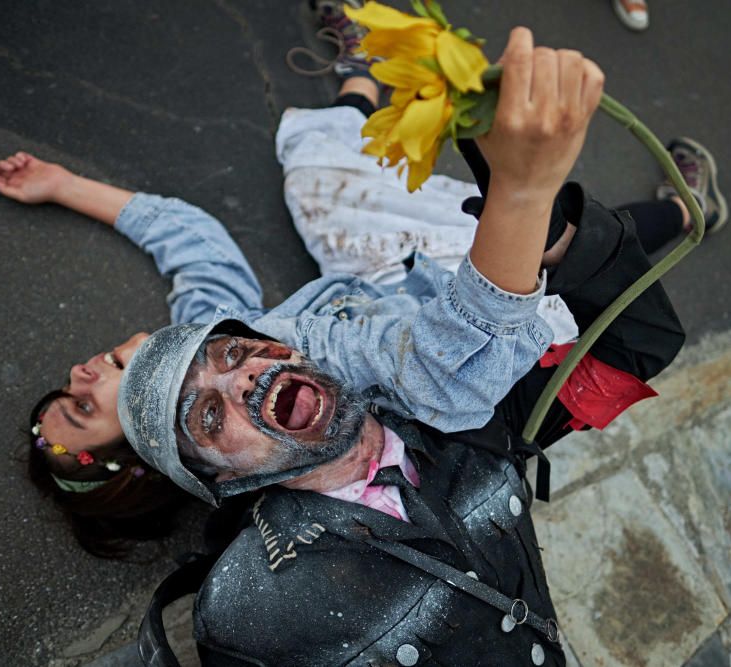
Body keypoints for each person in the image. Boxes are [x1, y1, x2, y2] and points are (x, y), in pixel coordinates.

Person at [0, 3, 725, 558]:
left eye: (223, 354)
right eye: (89, 406)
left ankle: (360, 75)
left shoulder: (242, 341)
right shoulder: (327, 490)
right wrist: (523, 194)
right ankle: (676, 216)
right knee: (551, 247)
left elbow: (194, 246)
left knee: (318, 182)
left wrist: (60, 182)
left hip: (395, 290)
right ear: (206, 474)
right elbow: (435, 370)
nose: (83, 373)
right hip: (500, 357)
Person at [119, 28, 688, 665]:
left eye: (232, 354)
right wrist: (520, 196)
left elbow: (635, 346)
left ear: (279, 347)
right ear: (221, 482)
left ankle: (685, 214)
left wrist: (547, 225)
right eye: (209, 416)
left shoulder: (469, 423)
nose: (242, 380)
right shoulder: (250, 617)